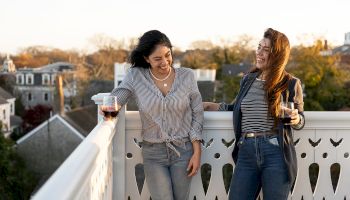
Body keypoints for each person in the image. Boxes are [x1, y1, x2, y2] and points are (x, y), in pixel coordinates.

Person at [204, 28, 305, 200]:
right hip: (247, 150)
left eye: (266, 49)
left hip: (275, 151)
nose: (259, 52)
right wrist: (207, 106)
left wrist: (296, 118)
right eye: (259, 47)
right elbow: (236, 108)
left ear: (278, 55)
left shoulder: (290, 83)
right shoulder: (247, 80)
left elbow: (300, 119)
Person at [102, 30, 204, 200]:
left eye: (168, 55)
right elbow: (117, 98)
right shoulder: (136, 76)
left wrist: (196, 151)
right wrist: (108, 110)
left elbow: (197, 112)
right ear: (146, 58)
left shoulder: (187, 76)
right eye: (157, 59)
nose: (165, 62)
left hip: (184, 150)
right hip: (154, 153)